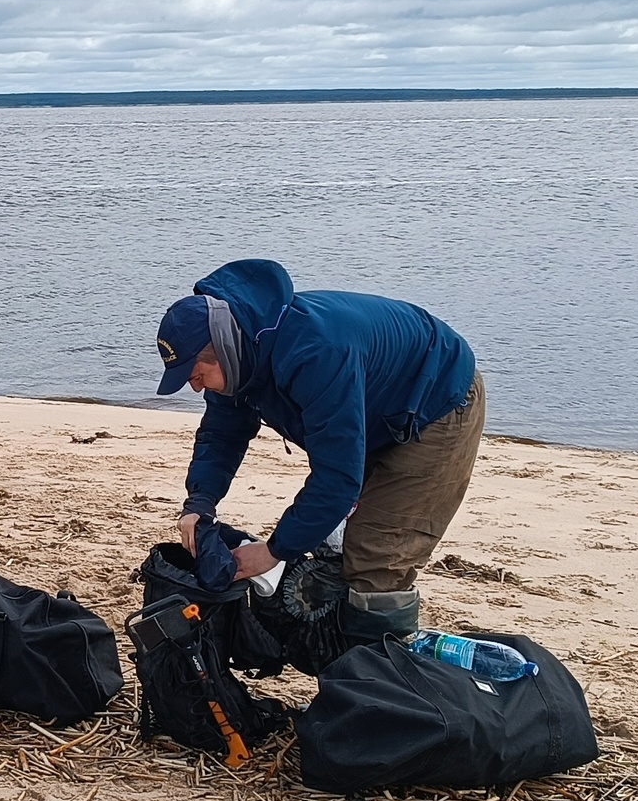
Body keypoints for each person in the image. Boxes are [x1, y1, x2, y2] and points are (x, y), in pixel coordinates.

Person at [154, 258, 485, 652]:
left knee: (376, 558)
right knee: (332, 543)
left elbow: (337, 479)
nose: (195, 389)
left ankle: (376, 686)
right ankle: (349, 650)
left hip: (437, 402)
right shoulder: (238, 358)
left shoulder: (315, 353)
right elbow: (221, 435)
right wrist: (200, 504)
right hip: (372, 407)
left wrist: (274, 552)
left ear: (223, 352)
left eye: (196, 377)